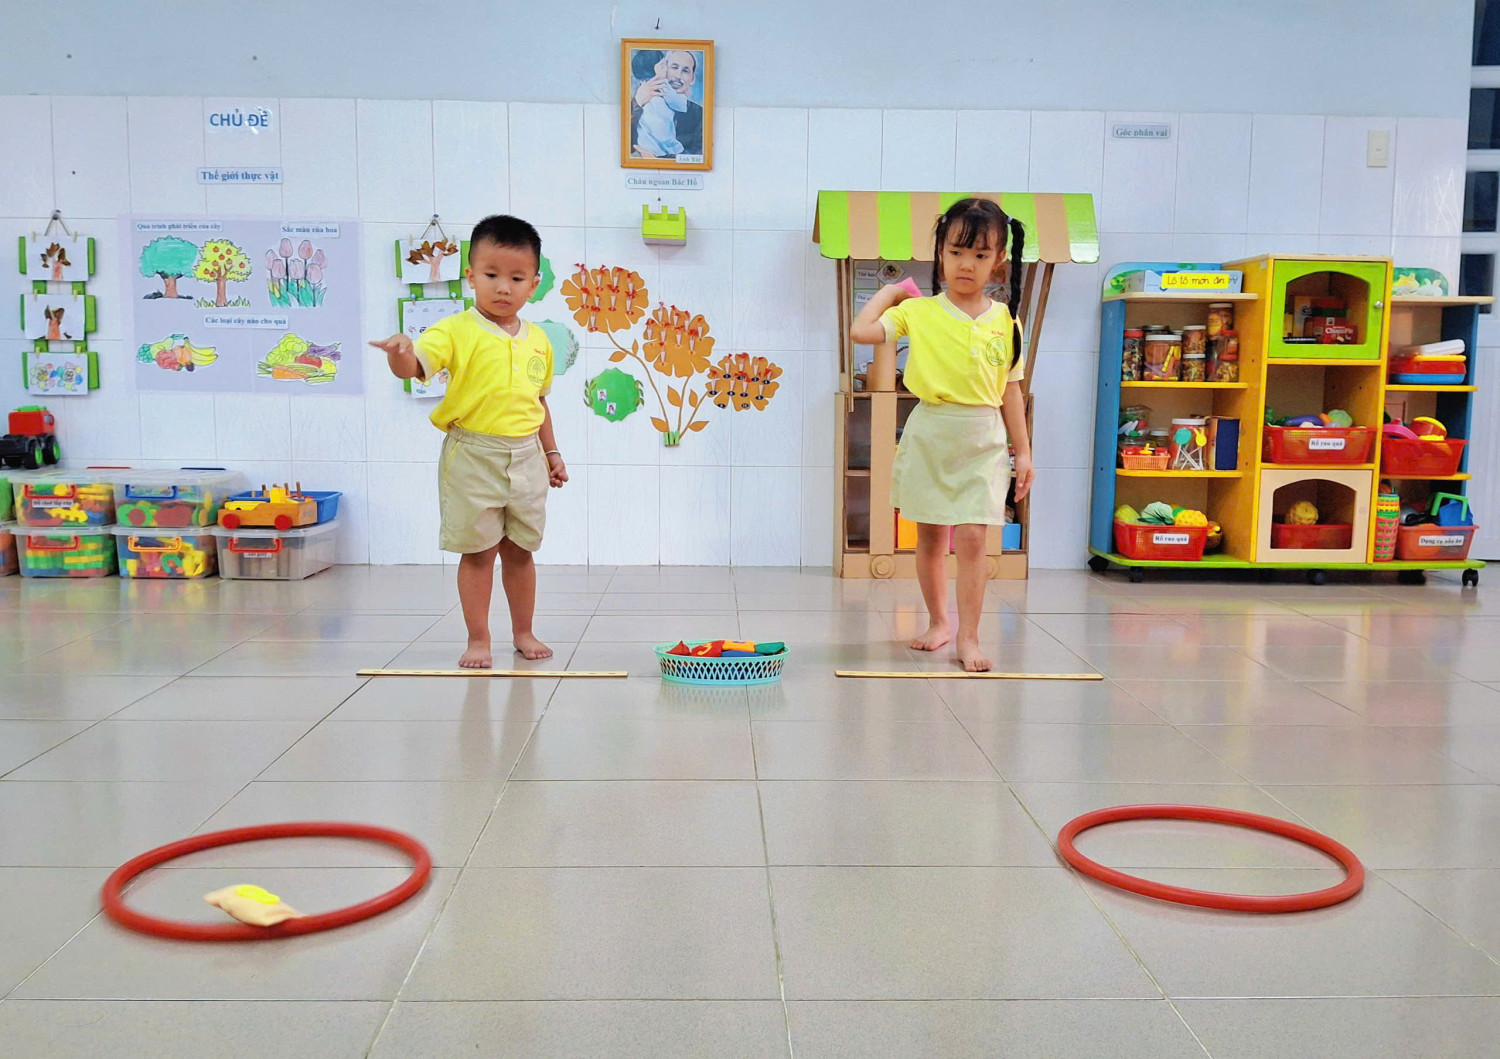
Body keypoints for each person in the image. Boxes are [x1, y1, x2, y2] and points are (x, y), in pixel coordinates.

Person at [369, 215, 567, 669]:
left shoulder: (539, 340)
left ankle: (523, 632)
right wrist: (400, 354)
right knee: (478, 552)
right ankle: (479, 638)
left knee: (521, 551)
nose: (503, 287)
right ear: (471, 276)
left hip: (528, 456)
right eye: (492, 275)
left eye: (516, 278)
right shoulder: (454, 329)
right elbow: (415, 366)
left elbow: (539, 403)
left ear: (534, 284)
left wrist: (552, 453)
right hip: (473, 455)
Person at [849, 198, 1035, 672]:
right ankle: (939, 623)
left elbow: (1011, 391)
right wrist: (891, 292)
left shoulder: (1007, 321)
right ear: (940, 253)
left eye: (979, 254)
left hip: (984, 440)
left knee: (972, 537)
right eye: (955, 252)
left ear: (999, 261)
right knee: (930, 537)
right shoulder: (919, 312)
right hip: (931, 434)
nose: (966, 264)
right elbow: (860, 331)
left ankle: (969, 637)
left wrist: (1024, 451)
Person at [630, 49, 704, 160]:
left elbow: (699, 157)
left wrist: (656, 160)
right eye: (674, 67)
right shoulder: (636, 105)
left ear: (692, 79)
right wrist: (637, 103)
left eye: (685, 71)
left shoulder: (700, 115)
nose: (678, 76)